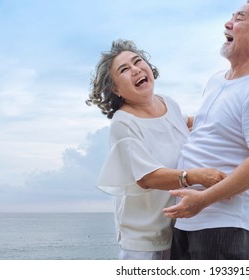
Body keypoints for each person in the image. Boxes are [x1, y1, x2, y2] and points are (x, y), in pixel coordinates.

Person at [163, 0, 249, 260]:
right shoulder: (216, 80)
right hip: (188, 220)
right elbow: (205, 128)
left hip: (226, 225)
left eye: (240, 17)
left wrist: (203, 200)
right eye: (232, 15)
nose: (228, 22)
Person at [86, 39, 226, 260]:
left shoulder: (168, 103)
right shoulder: (123, 123)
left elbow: (189, 123)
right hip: (143, 242)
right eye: (124, 69)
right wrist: (197, 176)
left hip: (180, 232)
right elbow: (147, 178)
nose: (136, 70)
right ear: (115, 89)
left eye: (137, 61)